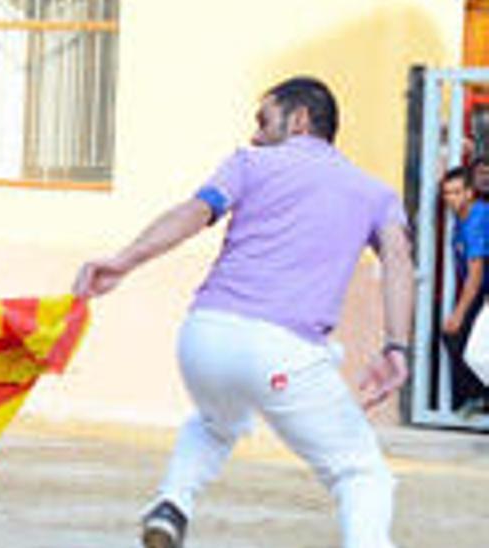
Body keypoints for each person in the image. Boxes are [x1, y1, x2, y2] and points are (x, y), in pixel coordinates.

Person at [71, 77, 412, 548]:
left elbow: (194, 213)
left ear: (300, 120)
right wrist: (396, 345)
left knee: (215, 423)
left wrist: (125, 260)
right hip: (283, 353)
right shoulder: (375, 193)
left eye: (263, 120)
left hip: (204, 337)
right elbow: (398, 260)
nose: (254, 134)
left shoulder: (248, 163)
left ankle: (173, 504)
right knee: (361, 473)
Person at [438, 166, 489, 415]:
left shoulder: (477, 218)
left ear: (470, 193)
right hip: (482, 292)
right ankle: (476, 398)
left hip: (483, 290)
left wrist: (458, 313)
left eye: (457, 192)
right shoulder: (462, 218)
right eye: (447, 193)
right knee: (459, 339)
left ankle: (477, 397)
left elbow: (476, 273)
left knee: (472, 349)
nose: (451, 199)